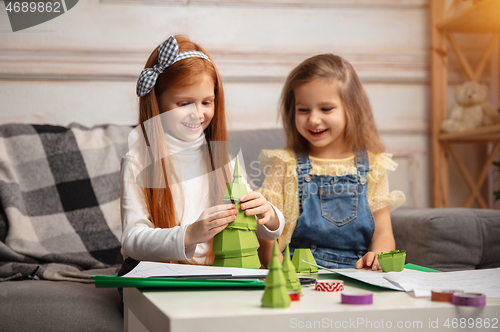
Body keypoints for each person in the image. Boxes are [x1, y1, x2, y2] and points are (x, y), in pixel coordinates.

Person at [119, 35, 284, 274]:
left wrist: (268, 214)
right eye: (184, 103)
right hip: (156, 273)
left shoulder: (224, 157)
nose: (197, 114)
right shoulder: (138, 160)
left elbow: (255, 226)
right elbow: (133, 240)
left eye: (207, 102)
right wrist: (190, 234)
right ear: (157, 101)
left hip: (212, 272)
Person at [259, 54, 405, 270]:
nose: (313, 119)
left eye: (326, 109)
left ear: (351, 109)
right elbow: (265, 232)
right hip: (298, 274)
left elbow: (383, 232)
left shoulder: (373, 165)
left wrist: (377, 256)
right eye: (303, 110)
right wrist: (279, 272)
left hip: (357, 273)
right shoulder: (285, 163)